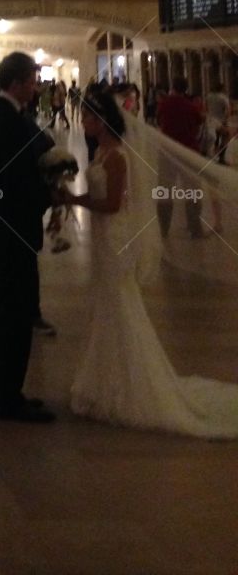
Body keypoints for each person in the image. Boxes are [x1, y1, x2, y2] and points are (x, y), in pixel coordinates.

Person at [63, 88, 238, 437]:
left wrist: (73, 199)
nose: (83, 122)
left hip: (113, 236)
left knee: (119, 305)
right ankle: (106, 380)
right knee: (108, 304)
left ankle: (129, 385)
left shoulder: (117, 158)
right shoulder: (102, 151)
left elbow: (113, 204)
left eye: (87, 117)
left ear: (102, 120)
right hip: (103, 238)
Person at [0, 51, 55, 422]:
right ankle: (8, 397)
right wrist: (47, 194)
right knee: (14, 313)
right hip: (12, 228)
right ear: (18, 82)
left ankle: (2, 388)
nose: (36, 87)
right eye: (33, 80)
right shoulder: (8, 120)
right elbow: (11, 180)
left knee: (3, 309)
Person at [156, 77, 205, 238]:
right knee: (192, 190)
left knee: (164, 190)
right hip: (188, 151)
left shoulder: (165, 104)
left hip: (167, 151)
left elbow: (159, 121)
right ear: (186, 89)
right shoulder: (190, 106)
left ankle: (164, 227)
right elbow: (198, 124)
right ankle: (194, 227)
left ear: (173, 87)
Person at [205, 83, 231, 165]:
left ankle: (215, 148)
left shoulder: (208, 96)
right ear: (222, 89)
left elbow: (206, 107)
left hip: (211, 120)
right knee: (226, 135)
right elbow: (228, 110)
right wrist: (225, 119)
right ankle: (221, 156)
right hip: (220, 120)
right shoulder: (223, 97)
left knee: (216, 135)